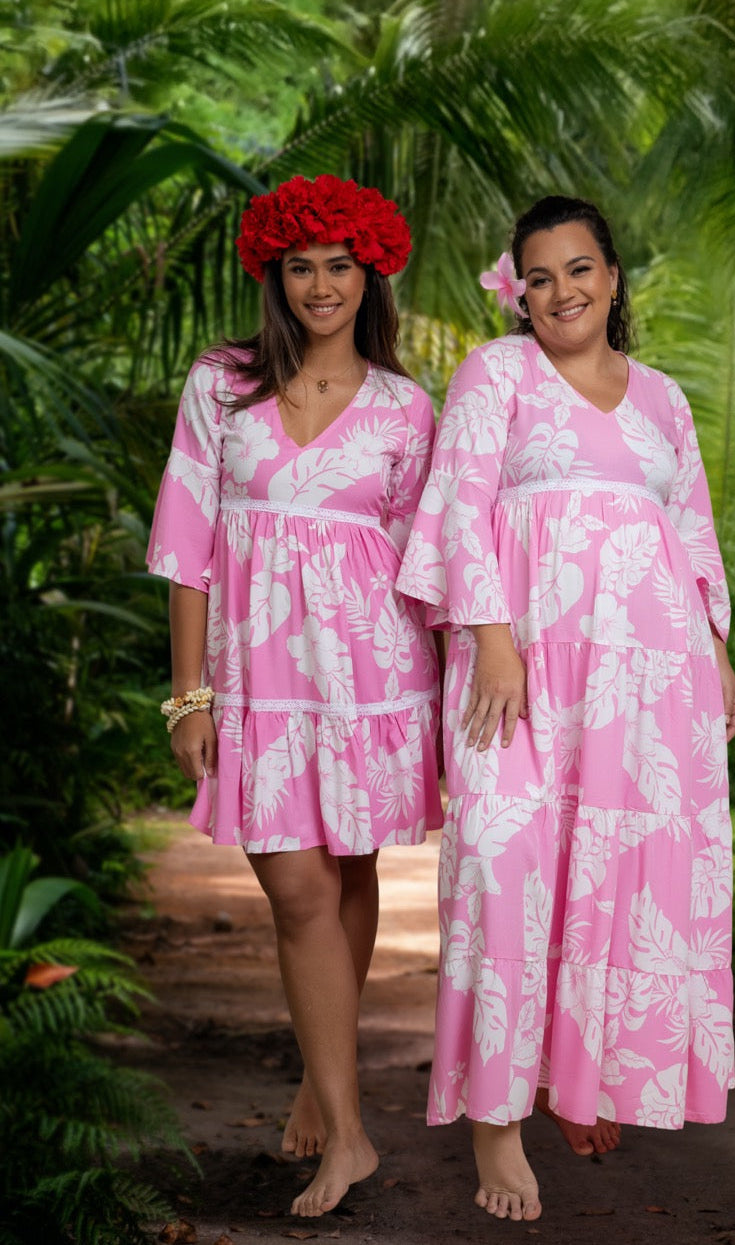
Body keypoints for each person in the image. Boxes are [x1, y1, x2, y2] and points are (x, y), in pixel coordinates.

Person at [396, 195, 735, 1222]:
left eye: (578, 269)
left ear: (613, 274)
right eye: (538, 277)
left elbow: (692, 536)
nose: (560, 292)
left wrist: (716, 653)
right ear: (518, 291)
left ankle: (580, 1077)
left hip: (648, 681)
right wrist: (490, 639)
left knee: (618, 872)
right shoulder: (494, 373)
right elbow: (460, 503)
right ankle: (493, 1126)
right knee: (504, 867)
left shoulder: (666, 400)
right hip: (519, 667)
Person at [147, 174, 443, 1218]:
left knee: (348, 874)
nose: (323, 285)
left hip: (375, 681)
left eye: (340, 265)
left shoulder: (409, 407)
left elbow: (430, 562)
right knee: (299, 892)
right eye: (302, 267)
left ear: (371, 275)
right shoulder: (219, 386)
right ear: (275, 277)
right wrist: (190, 699)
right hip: (262, 684)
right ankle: (350, 1130)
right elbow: (188, 548)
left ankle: (327, 1083)